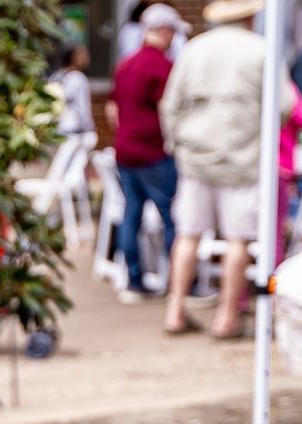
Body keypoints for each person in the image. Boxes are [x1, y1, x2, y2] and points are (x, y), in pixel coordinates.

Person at [159, 0, 286, 338]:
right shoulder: (262, 51)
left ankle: (175, 309)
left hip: (196, 156)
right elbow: (285, 106)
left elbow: (170, 104)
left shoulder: (194, 49)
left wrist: (177, 145)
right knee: (238, 239)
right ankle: (226, 317)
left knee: (188, 235)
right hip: (243, 159)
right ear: (249, 15)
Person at [109, 3, 183, 302]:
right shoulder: (162, 67)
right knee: (171, 217)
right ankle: (180, 284)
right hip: (153, 152)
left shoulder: (125, 64)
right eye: (173, 32)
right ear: (163, 30)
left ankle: (134, 279)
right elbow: (172, 111)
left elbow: (113, 108)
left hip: (125, 152)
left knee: (131, 216)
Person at [54, 44, 93, 138]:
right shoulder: (79, 78)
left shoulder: (56, 75)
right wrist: (89, 127)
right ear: (74, 57)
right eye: (83, 55)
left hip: (56, 130)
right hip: (75, 132)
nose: (87, 58)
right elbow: (83, 105)